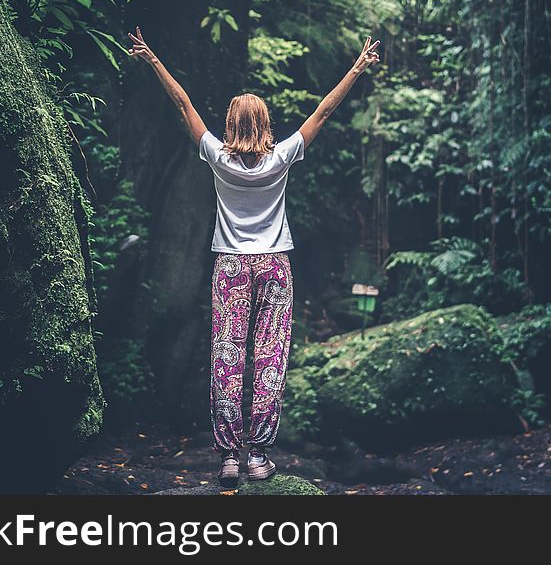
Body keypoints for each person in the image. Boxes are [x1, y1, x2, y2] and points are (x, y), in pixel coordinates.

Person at [127, 26, 380, 486]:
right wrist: (357, 67)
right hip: (275, 265)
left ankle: (228, 457)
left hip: (230, 267)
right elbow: (325, 109)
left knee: (227, 356)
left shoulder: (216, 158)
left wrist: (153, 59)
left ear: (230, 124)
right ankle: (259, 456)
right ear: (264, 124)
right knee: (269, 355)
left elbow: (183, 104)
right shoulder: (281, 157)